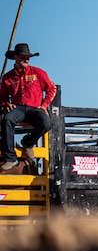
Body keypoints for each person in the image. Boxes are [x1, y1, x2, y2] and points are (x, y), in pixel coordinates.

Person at [0, 43, 56, 171]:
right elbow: (2, 96)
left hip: (35, 108)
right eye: (23, 57)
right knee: (7, 119)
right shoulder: (7, 77)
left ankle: (28, 142)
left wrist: (44, 105)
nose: (26, 59)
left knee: (46, 123)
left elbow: (52, 89)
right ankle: (10, 157)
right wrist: (6, 104)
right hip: (18, 108)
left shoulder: (38, 73)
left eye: (28, 57)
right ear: (15, 57)